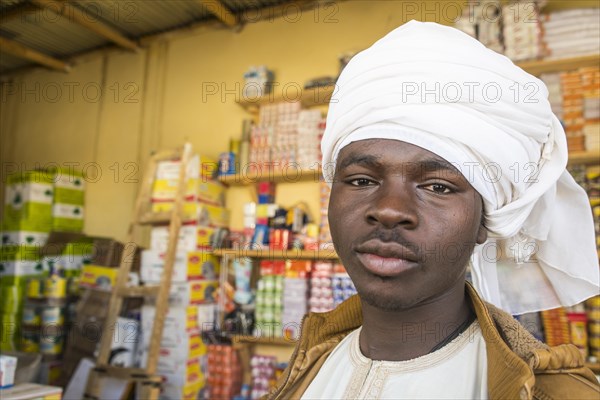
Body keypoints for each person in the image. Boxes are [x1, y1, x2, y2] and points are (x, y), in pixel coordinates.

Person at [267, 20, 600, 399]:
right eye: (361, 180)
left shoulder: (550, 393)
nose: (390, 210)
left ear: (483, 221)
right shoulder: (309, 364)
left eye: (438, 186)